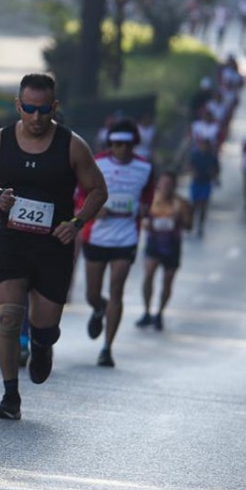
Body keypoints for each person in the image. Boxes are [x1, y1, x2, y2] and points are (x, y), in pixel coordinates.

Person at [0, 74, 107, 420]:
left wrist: (78, 223)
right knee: (8, 318)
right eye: (28, 109)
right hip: (12, 242)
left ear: (54, 107)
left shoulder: (71, 145)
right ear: (17, 106)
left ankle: (42, 344)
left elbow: (98, 189)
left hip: (53, 246)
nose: (35, 118)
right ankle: (10, 395)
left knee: (44, 326)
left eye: (42, 110)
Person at [83, 119, 154, 368]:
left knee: (117, 290)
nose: (121, 149)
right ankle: (99, 308)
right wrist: (91, 210)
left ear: (133, 144)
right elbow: (81, 195)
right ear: (110, 143)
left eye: (126, 144)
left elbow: (147, 197)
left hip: (126, 238)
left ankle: (107, 348)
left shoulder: (145, 168)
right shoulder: (97, 163)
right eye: (116, 144)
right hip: (97, 236)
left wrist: (145, 208)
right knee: (92, 294)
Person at [136, 171, 193, 331]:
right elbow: (142, 217)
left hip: (172, 246)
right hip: (154, 244)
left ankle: (159, 313)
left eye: (169, 184)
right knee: (148, 276)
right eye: (163, 184)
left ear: (174, 186)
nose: (165, 187)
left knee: (167, 282)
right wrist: (147, 223)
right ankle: (147, 311)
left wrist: (180, 220)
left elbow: (189, 226)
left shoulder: (181, 203)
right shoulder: (150, 200)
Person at [188, 136, 219, 237]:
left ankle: (200, 225)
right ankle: (191, 223)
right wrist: (192, 172)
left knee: (203, 204)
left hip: (206, 183)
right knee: (194, 204)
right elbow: (190, 166)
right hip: (196, 182)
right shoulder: (195, 155)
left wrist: (213, 175)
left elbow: (216, 169)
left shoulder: (212, 157)